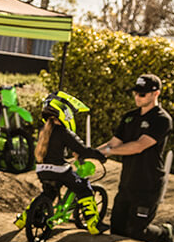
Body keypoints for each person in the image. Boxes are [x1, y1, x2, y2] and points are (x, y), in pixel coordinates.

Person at [97, 74, 174, 242]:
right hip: (127, 183)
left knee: (136, 232)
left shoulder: (162, 119)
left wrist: (108, 152)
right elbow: (113, 143)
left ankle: (164, 233)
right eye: (135, 93)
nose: (137, 97)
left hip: (148, 185)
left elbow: (139, 146)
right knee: (117, 231)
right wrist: (90, 152)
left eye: (142, 94)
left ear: (156, 94)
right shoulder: (129, 117)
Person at [15, 92, 107, 234]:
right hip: (59, 171)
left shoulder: (43, 130)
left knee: (48, 195)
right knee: (84, 188)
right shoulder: (63, 131)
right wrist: (100, 155)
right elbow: (82, 149)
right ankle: (94, 225)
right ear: (65, 112)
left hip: (42, 170)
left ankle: (22, 220)